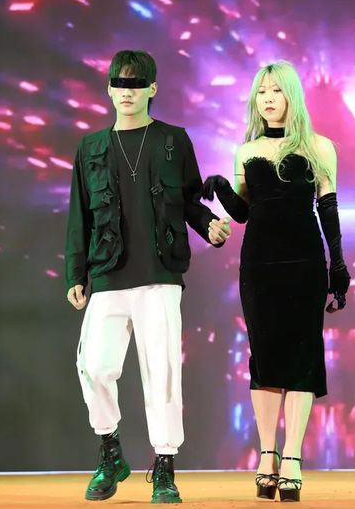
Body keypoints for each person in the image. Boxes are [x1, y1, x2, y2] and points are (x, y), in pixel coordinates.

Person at [64, 49, 232, 504]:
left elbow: (190, 200)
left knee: (162, 373)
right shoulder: (91, 147)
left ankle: (164, 468)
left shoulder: (173, 140)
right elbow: (80, 214)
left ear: (152, 89)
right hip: (107, 273)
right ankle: (110, 451)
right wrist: (75, 273)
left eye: (136, 84)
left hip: (160, 274)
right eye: (119, 83)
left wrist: (209, 226)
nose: (127, 91)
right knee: (94, 366)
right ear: (109, 88)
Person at [202, 61, 350, 502]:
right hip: (259, 266)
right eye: (261, 92)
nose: (267, 99)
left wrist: (338, 265)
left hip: (305, 264)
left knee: (303, 357)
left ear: (292, 96)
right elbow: (243, 212)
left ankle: (292, 459)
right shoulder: (246, 151)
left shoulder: (321, 147)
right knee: (264, 357)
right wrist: (221, 187)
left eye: (276, 91)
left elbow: (328, 209)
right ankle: (266, 455)